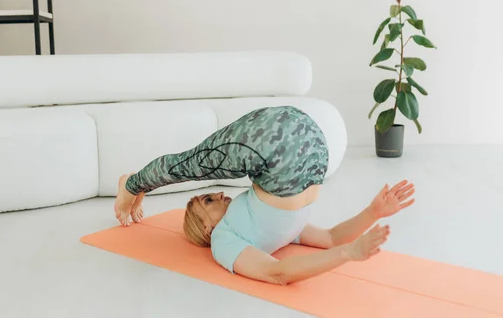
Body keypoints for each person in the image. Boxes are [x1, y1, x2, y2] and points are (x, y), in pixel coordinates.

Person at [114, 106, 415, 285]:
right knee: (190, 165)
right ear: (206, 228)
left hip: (277, 144)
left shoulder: (252, 220)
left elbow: (328, 241)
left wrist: (350, 244)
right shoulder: (224, 240)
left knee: (192, 164)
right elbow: (283, 269)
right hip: (305, 149)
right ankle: (134, 184)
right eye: (207, 201)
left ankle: (133, 184)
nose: (218, 193)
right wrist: (371, 216)